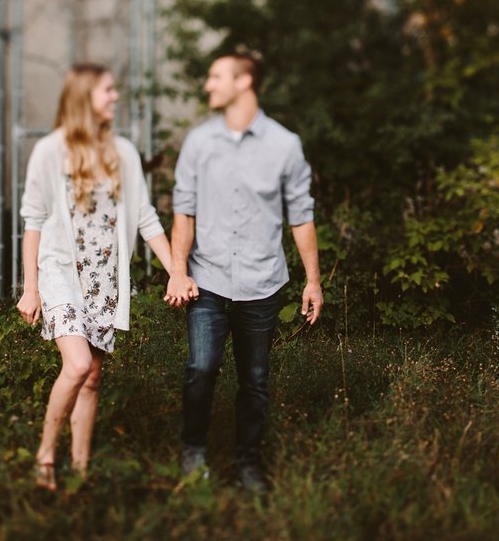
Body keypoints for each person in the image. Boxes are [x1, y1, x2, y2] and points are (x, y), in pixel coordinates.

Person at [165, 48, 323, 492]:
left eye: (216, 76)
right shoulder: (199, 142)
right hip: (208, 278)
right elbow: (184, 212)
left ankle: (247, 464)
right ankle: (194, 451)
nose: (207, 85)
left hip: (262, 283)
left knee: (254, 381)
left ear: (244, 82)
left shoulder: (284, 145)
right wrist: (179, 270)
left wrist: (313, 280)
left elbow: (301, 216)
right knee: (201, 368)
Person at [17, 63, 175, 491]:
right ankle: (46, 456)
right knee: (78, 363)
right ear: (85, 96)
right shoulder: (50, 151)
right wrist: (30, 288)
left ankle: (81, 472)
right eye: (107, 90)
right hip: (61, 273)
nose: (115, 97)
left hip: (105, 280)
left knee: (93, 378)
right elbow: (32, 221)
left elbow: (146, 219)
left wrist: (176, 271)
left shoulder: (122, 152)